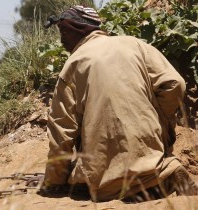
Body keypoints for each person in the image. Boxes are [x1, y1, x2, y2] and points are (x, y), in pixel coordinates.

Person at [38, 5, 198, 202]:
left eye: (64, 32)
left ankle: (128, 182)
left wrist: (54, 181)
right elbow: (175, 84)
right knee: (149, 157)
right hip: (148, 141)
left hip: (104, 164)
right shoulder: (135, 44)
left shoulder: (72, 65)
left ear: (79, 28)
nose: (61, 39)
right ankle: (165, 171)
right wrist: (161, 121)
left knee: (97, 184)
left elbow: (61, 131)